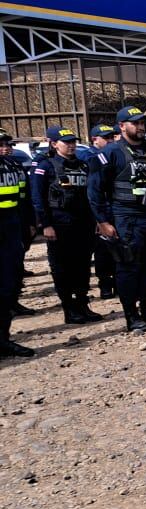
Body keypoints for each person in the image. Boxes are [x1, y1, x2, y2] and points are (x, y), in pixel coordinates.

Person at [89, 106, 146, 332]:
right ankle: (132, 315)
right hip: (127, 218)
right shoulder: (110, 153)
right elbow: (94, 191)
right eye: (135, 123)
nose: (140, 127)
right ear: (122, 126)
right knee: (128, 267)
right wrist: (103, 221)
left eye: (142, 123)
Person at [30, 126, 104, 324]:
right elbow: (37, 197)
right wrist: (45, 225)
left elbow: (93, 195)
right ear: (54, 144)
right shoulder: (45, 166)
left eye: (73, 142)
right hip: (59, 223)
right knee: (62, 267)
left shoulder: (83, 165)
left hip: (83, 223)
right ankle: (69, 308)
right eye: (66, 142)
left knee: (82, 265)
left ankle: (82, 304)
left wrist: (98, 220)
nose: (71, 146)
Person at [0, 129, 36, 357]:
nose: (4, 147)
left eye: (6, 143)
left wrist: (29, 225)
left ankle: (3, 339)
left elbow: (24, 199)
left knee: (8, 286)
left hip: (11, 228)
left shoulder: (13, 166)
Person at [83, 124, 120, 299]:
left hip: (115, 208)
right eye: (106, 138)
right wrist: (99, 219)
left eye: (112, 137)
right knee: (103, 250)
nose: (111, 141)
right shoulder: (89, 157)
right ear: (94, 139)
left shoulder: (113, 155)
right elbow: (93, 191)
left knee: (119, 249)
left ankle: (118, 282)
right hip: (98, 210)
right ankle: (105, 284)